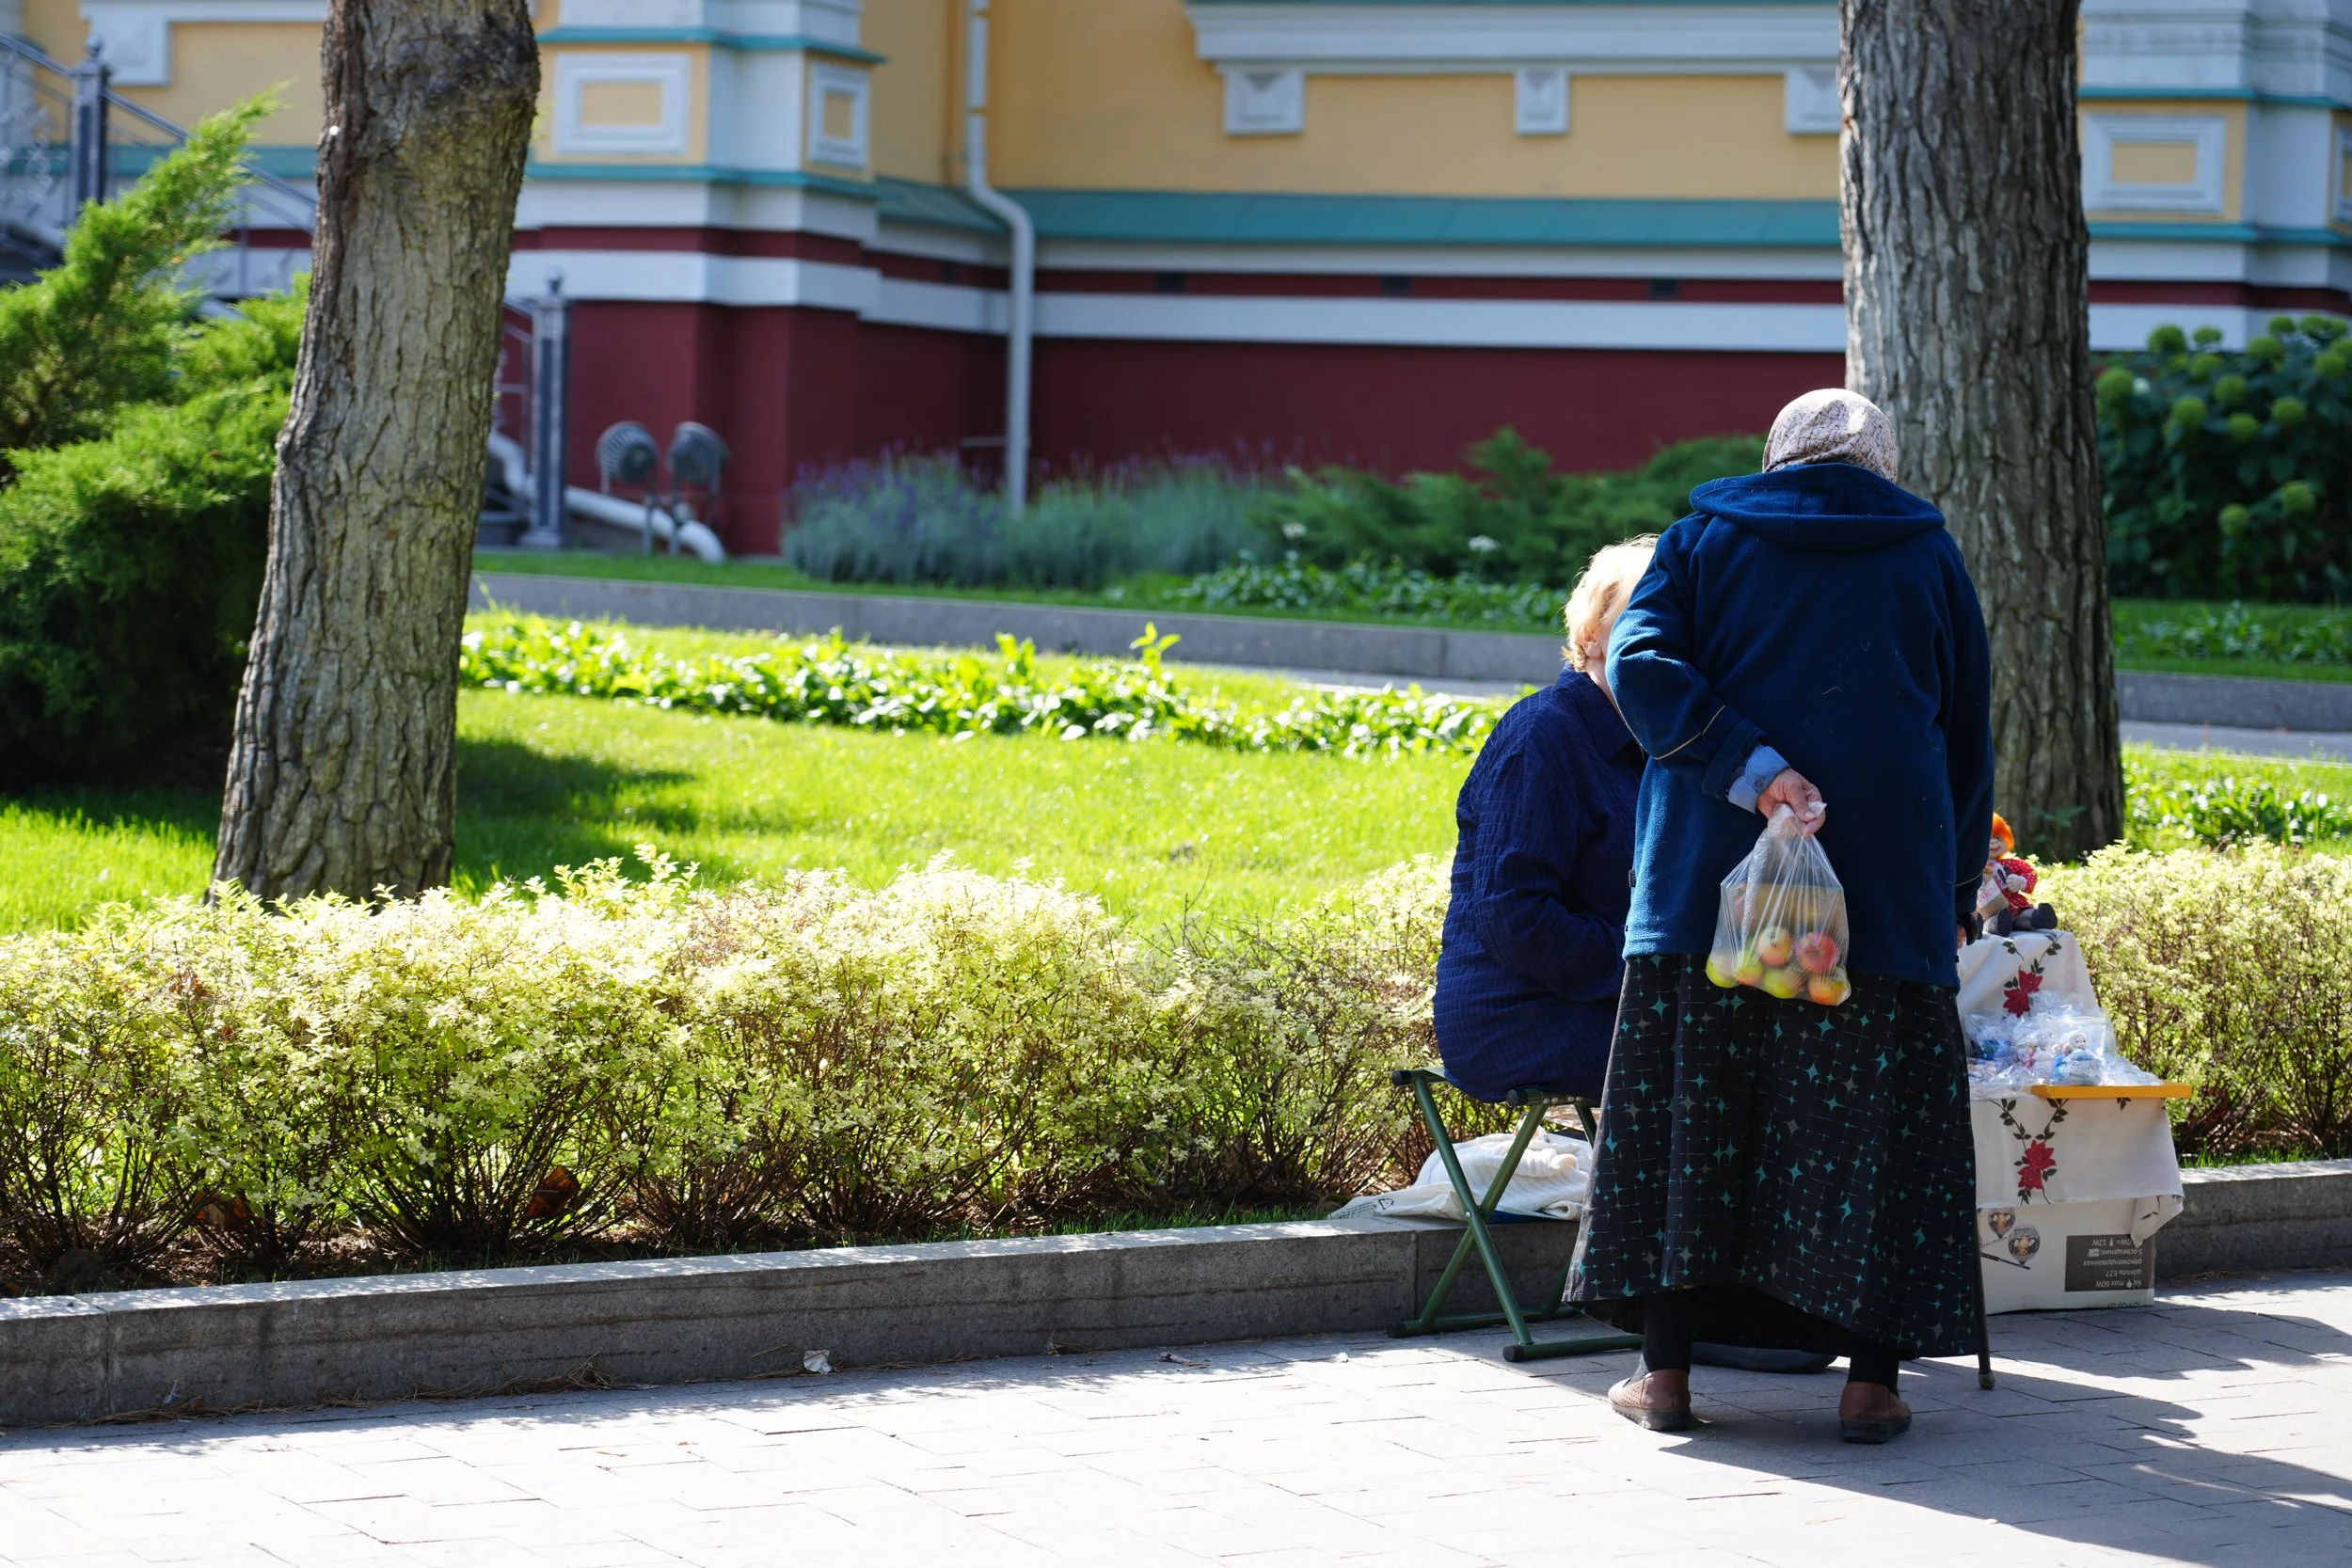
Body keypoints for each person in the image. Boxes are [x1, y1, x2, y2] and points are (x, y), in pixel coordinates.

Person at [1566, 388, 1995, 1445]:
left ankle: (1663, 1379)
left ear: (1777, 454)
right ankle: (1869, 1386)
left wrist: (1750, 769)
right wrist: (1949, 898)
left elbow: (1642, 663)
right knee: (1872, 1133)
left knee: (1693, 1120)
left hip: (1706, 900)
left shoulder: (1703, 538)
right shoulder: (1927, 554)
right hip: (1881, 903)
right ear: (1878, 461)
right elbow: (1966, 736)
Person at [1433, 538, 1656, 1105]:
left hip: (1601, 998)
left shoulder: (1654, 745)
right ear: (1590, 636)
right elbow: (1516, 916)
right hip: (1516, 1016)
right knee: (1717, 1051)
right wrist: (1646, 966)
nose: (1663, 637)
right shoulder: (1543, 735)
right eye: (1643, 614)